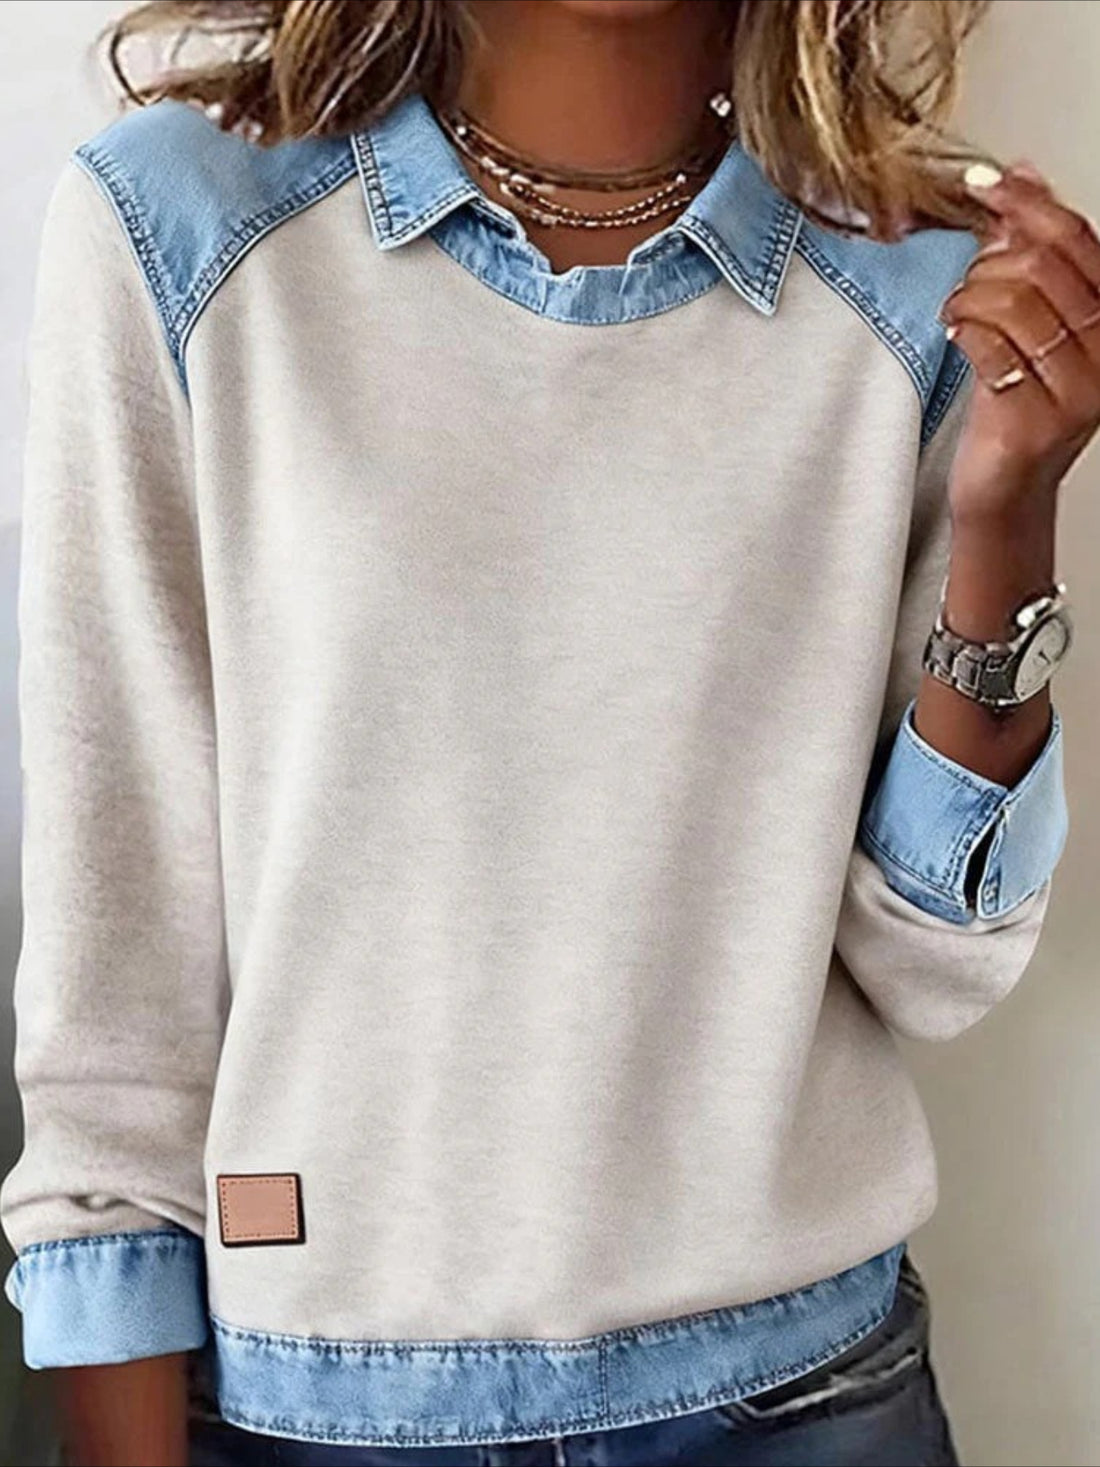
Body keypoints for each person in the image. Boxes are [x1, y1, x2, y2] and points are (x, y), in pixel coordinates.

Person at [2, 0, 1096, 1463]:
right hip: (314, 1408)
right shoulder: (179, 226)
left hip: (798, 1394)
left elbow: (932, 969)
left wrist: (1011, 516)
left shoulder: (923, 283)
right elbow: (114, 967)